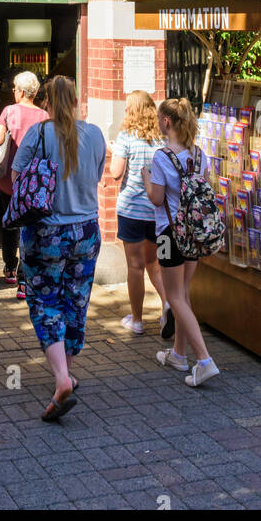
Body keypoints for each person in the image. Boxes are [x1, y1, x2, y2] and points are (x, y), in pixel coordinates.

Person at [11, 76, 106, 423]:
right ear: (77, 100)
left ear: (46, 102)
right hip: (86, 230)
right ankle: (68, 370)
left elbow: (17, 175)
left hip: (46, 232)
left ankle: (62, 377)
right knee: (76, 299)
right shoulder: (94, 134)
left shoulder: (38, 134)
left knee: (45, 300)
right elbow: (96, 178)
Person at [142, 96, 220, 388]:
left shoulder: (162, 157)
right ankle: (178, 354)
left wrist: (147, 178)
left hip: (168, 233)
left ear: (166, 122)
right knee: (183, 293)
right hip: (195, 233)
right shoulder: (199, 155)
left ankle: (204, 360)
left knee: (174, 296)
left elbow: (157, 198)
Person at [109, 90, 173, 337]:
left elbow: (116, 173)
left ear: (133, 111)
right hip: (156, 212)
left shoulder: (126, 137)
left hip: (132, 211)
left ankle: (136, 320)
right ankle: (167, 304)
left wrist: (113, 150)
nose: (125, 111)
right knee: (154, 264)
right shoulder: (163, 139)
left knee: (135, 267)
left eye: (127, 107)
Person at [0, 71, 44, 297]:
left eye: (14, 88)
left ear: (20, 91)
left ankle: (10, 267)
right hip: (34, 180)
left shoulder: (9, 111)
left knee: (10, 222)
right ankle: (24, 280)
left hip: (8, 179)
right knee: (29, 227)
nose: (13, 92)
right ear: (36, 92)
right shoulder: (44, 115)